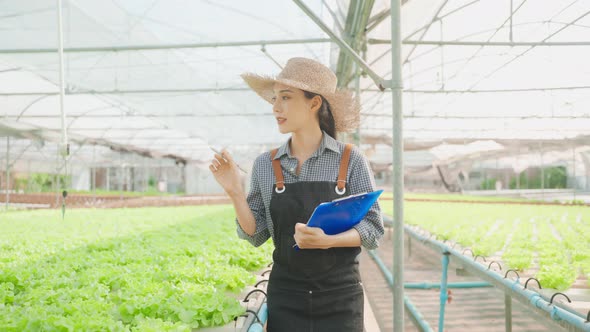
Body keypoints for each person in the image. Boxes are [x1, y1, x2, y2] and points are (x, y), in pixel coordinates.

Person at [209, 57, 384, 332]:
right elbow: (256, 234)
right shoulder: (266, 165)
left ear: (314, 103)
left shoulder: (351, 160)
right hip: (286, 297)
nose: (276, 107)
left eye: (286, 98)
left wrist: (330, 241)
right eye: (275, 99)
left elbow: (373, 230)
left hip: (340, 297)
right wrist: (234, 192)